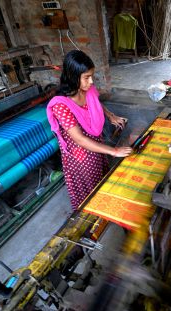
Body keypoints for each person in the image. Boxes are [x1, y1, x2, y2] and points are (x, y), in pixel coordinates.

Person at [46, 50, 132, 210]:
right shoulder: (61, 105)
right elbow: (79, 139)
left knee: (101, 181)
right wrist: (113, 151)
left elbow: (95, 104)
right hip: (81, 157)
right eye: (86, 77)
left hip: (96, 146)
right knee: (89, 193)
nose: (91, 81)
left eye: (91, 75)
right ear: (72, 76)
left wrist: (111, 115)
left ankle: (103, 208)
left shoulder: (87, 89)